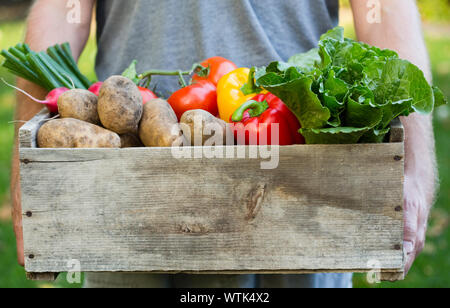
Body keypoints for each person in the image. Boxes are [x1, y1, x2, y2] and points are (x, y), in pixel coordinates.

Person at [11, 0, 437, 288]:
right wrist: (27, 168)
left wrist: (415, 165)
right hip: (128, 175)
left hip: (305, 181)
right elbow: (60, 9)